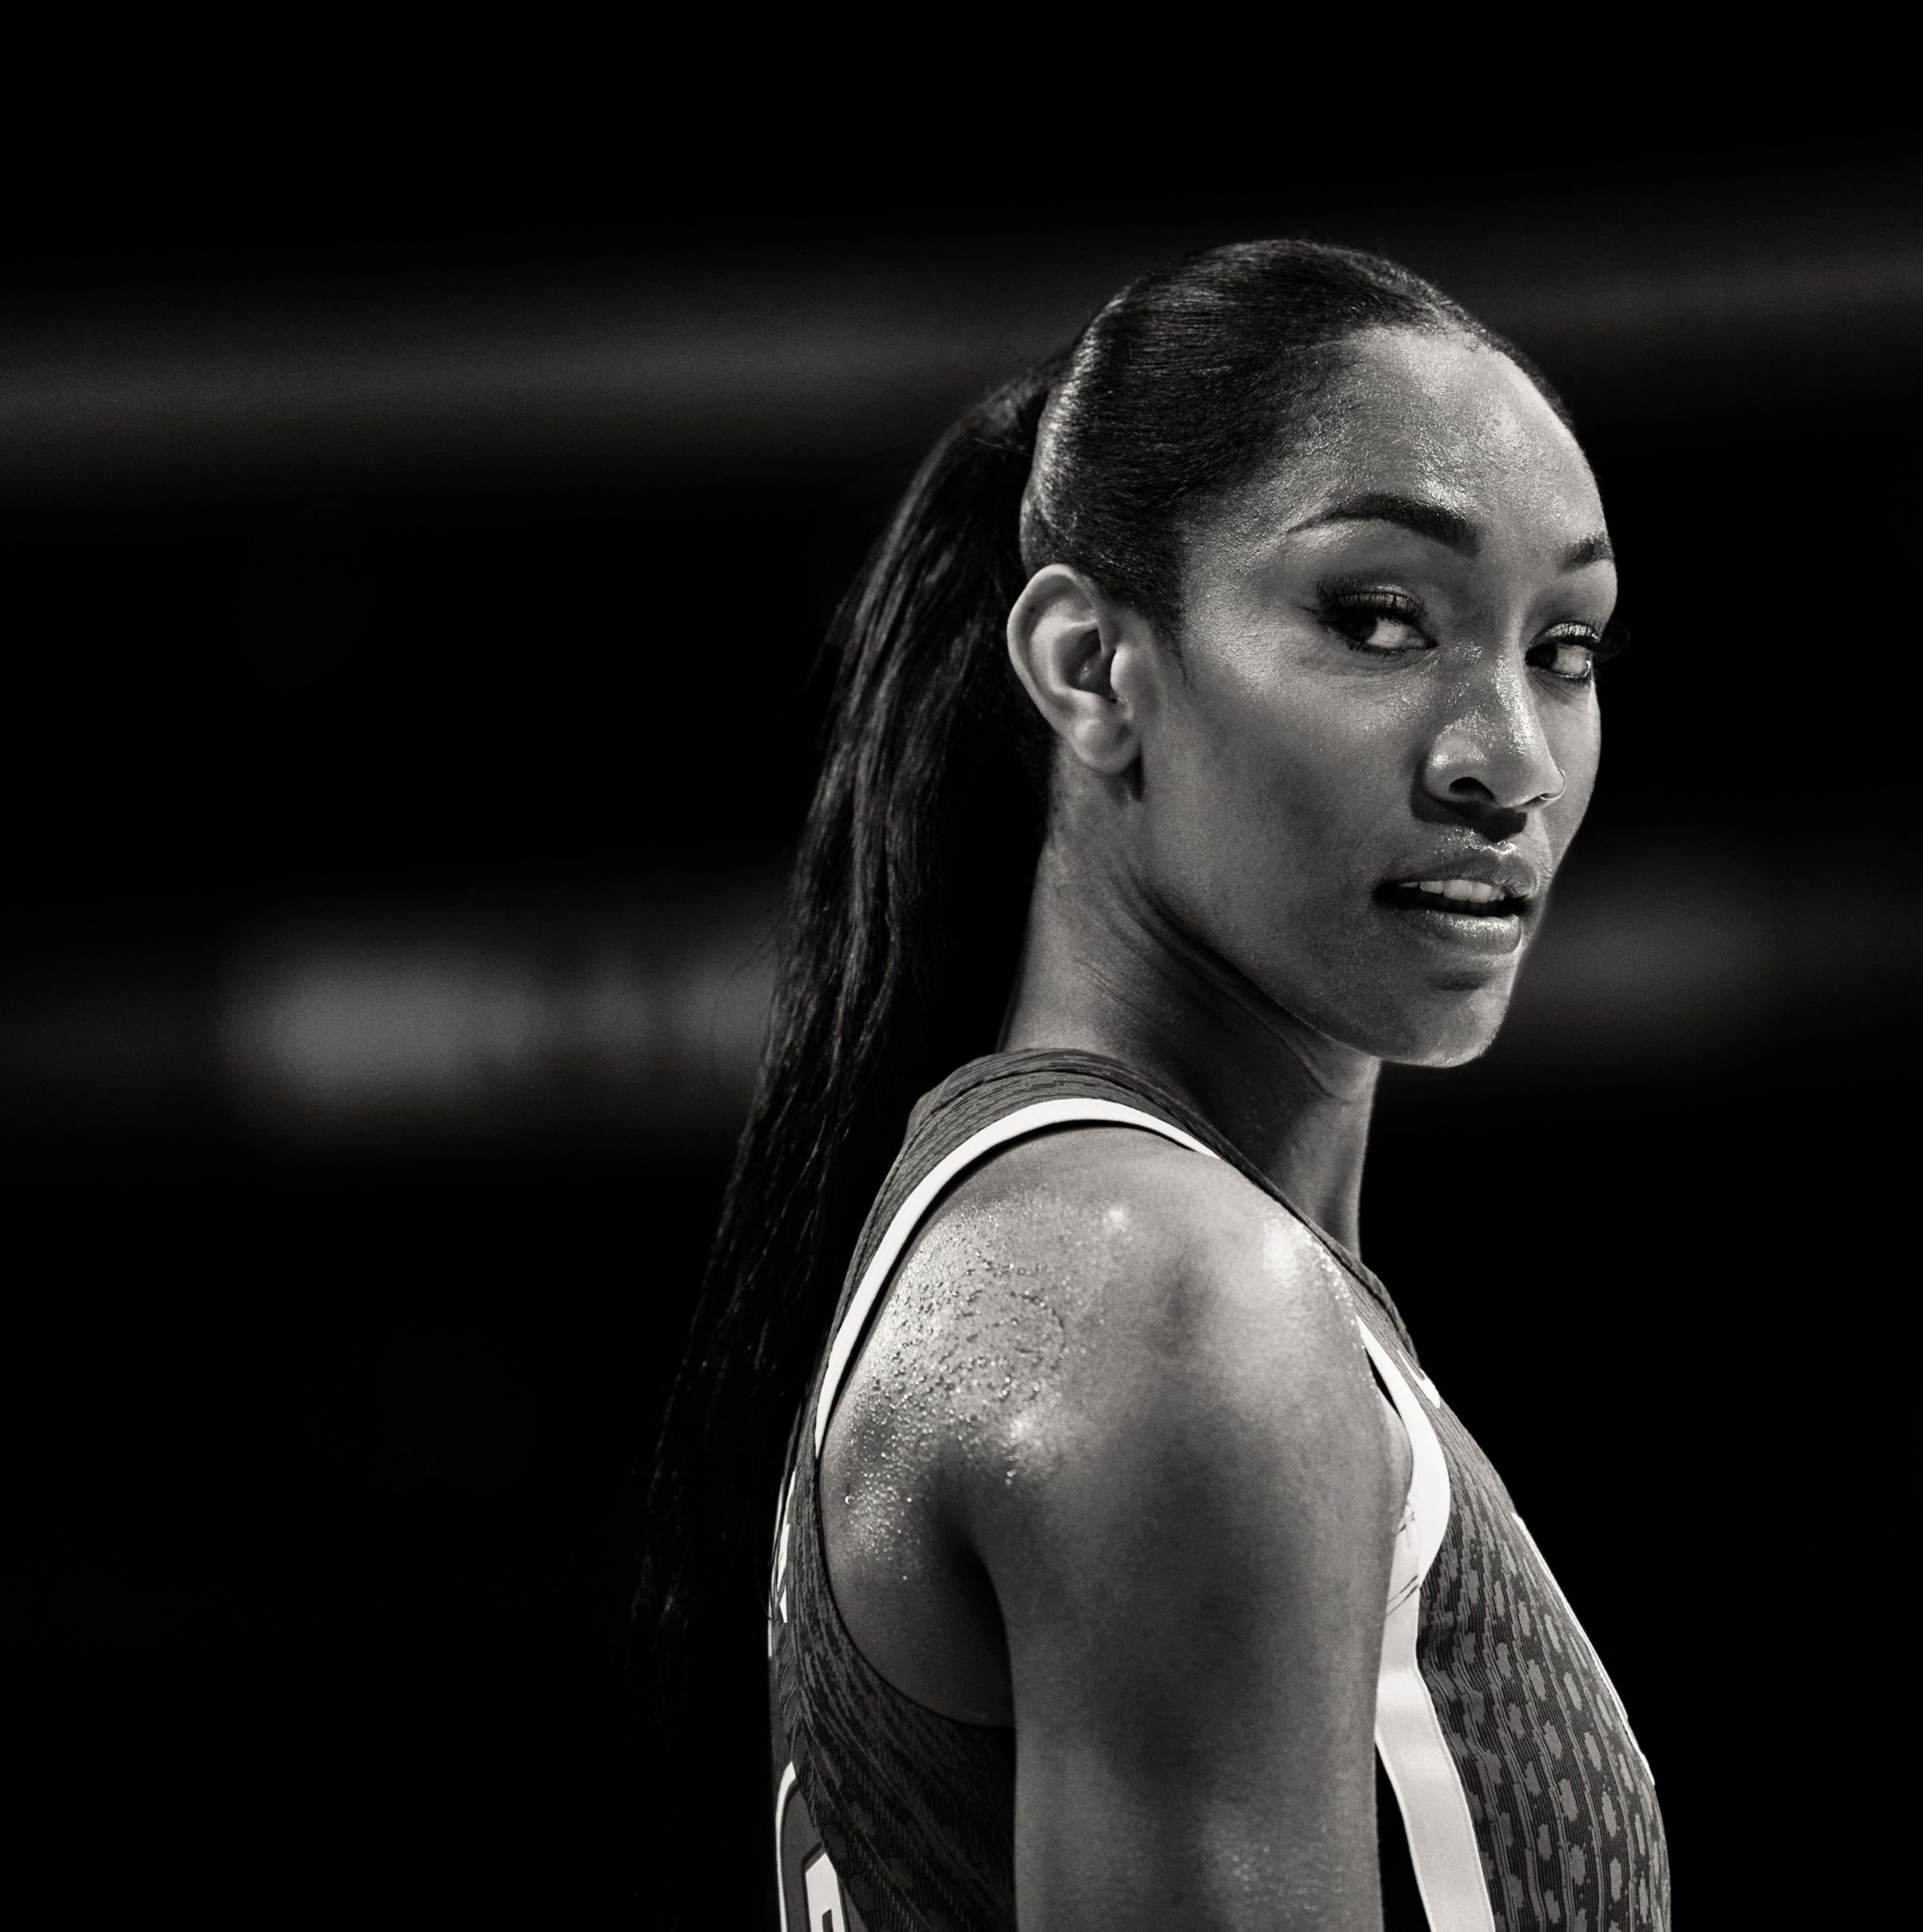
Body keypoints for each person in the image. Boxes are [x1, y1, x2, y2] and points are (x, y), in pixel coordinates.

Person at [647, 239, 1665, 1931]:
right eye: (1378, 615)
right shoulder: (1166, 1294)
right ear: (1091, 666)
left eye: (1565, 644)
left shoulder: (1070, 1250)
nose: (1512, 759)